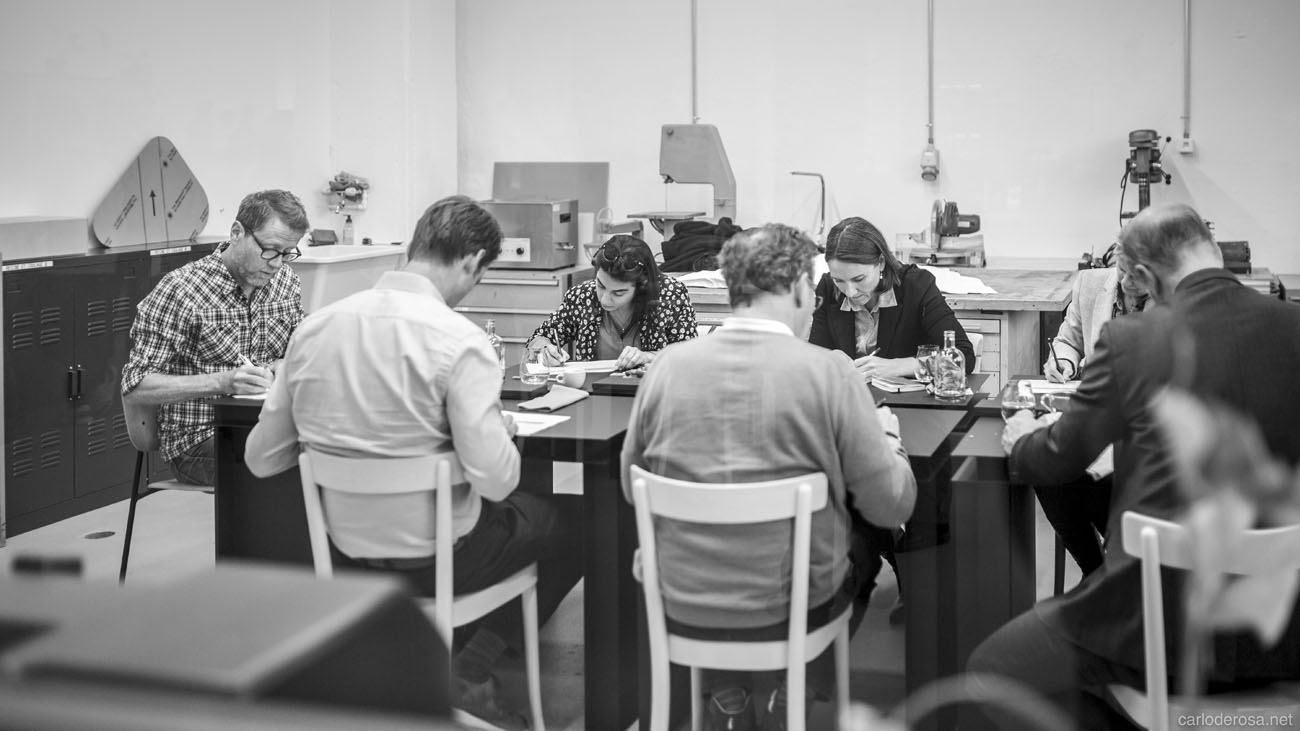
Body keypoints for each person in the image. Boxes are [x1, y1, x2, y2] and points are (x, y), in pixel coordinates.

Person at [244, 195, 582, 731]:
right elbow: (497, 482)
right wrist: (500, 432)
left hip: (344, 550)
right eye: (479, 276)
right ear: (472, 262)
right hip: (441, 558)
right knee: (573, 523)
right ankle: (471, 665)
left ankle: (423, 666)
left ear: (415, 245)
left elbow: (261, 460)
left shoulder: (315, 330)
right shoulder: (460, 340)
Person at [968, 203, 1300, 728]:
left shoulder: (1135, 341)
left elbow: (1056, 461)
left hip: (1158, 630)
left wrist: (1025, 437)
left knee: (989, 671)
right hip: (1283, 627)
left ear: (1143, 275)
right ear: (1212, 250)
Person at [622, 223, 916, 731]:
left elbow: (633, 485)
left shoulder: (667, 367)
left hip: (682, 598)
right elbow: (890, 504)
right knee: (863, 541)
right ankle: (795, 690)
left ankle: (727, 696)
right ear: (800, 287)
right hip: (793, 604)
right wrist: (889, 439)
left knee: (720, 549)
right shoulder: (829, 373)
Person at [808, 215, 974, 622]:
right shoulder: (828, 289)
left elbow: (962, 356)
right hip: (857, 418)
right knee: (852, 490)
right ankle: (896, 568)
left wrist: (899, 364)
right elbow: (816, 354)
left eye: (859, 280)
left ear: (881, 263)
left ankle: (921, 586)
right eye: (840, 281)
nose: (850, 291)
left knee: (923, 483)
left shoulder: (916, 287)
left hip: (918, 418)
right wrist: (832, 361)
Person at [121, 189, 309, 486]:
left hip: (266, 425)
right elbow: (136, 387)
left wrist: (286, 364)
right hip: (199, 439)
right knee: (294, 469)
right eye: (270, 250)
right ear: (236, 233)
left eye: (288, 253)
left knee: (334, 449)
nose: (277, 264)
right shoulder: (182, 290)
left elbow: (298, 350)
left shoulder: (286, 282)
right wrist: (223, 382)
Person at [1035, 251, 1150, 577]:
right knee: (1048, 467)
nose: (1127, 282)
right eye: (1123, 270)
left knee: (1092, 477)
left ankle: (1119, 573)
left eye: (1139, 275)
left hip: (1139, 434)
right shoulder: (1089, 284)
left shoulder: (1171, 298)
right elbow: (1067, 340)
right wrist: (1064, 362)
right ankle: (1096, 572)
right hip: (1096, 421)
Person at [528, 235, 698, 372]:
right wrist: (545, 350)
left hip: (650, 392)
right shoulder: (582, 296)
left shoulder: (669, 296)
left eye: (618, 293)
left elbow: (690, 355)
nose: (604, 299)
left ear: (642, 286)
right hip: (593, 393)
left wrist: (648, 357)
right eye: (600, 285)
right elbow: (538, 338)